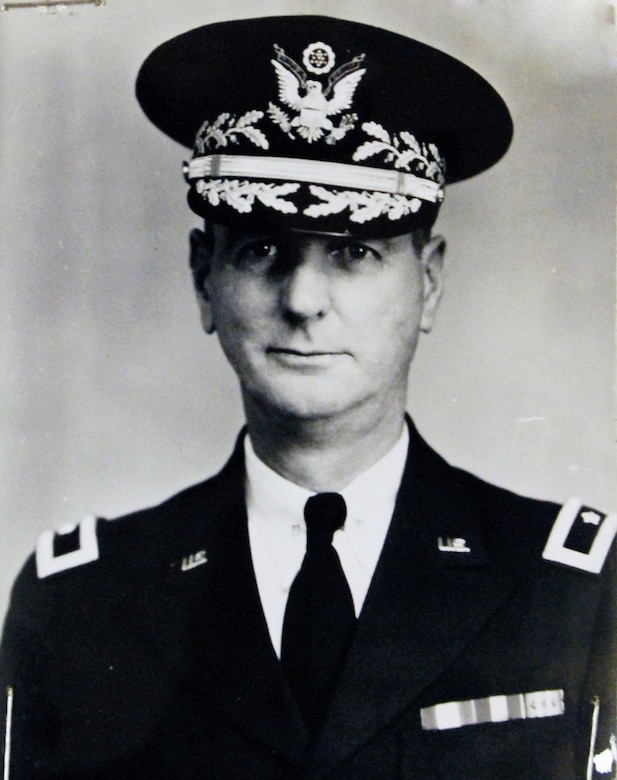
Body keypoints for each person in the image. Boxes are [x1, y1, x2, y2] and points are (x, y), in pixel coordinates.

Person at [1, 14, 615, 779]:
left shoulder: (571, 592)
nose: (301, 299)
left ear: (427, 283)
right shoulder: (80, 603)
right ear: (203, 279)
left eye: (353, 252)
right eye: (261, 249)